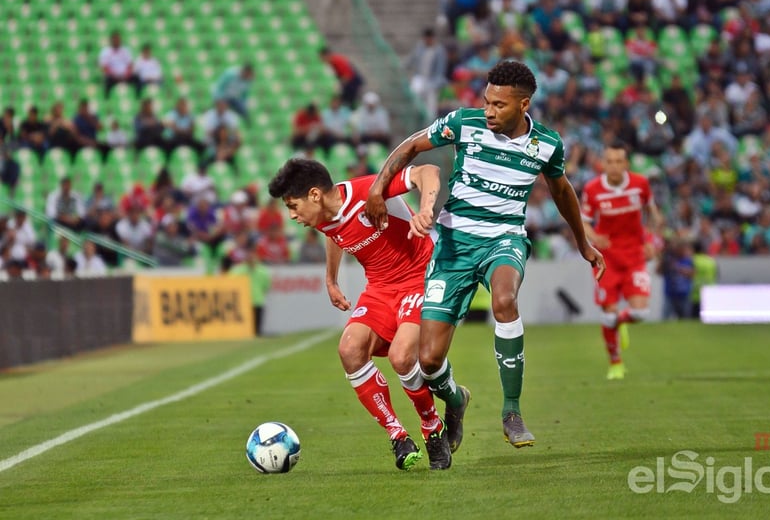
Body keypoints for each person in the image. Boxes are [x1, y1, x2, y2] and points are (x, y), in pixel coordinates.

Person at [364, 61, 605, 467]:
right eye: (486, 102)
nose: (489, 110)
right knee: (428, 361)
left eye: (499, 104)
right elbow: (410, 147)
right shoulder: (464, 123)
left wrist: (583, 242)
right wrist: (376, 189)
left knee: (505, 300)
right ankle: (456, 401)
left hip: (504, 238)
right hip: (454, 243)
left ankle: (512, 411)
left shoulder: (546, 144)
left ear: (523, 105)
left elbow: (562, 192)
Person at [268, 157, 448, 470]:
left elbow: (428, 170)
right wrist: (331, 278)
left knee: (402, 357)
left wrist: (425, 209)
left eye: (293, 206)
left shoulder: (369, 192)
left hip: (419, 276)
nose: (293, 215)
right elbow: (333, 231)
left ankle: (432, 428)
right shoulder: (322, 215)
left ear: (315, 195)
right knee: (349, 349)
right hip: (379, 288)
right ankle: (397, 435)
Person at [580, 143, 662, 380]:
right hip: (607, 260)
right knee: (607, 314)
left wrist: (652, 242)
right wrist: (594, 237)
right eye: (610, 161)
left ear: (626, 164)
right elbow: (584, 221)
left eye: (619, 161)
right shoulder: (593, 189)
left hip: (635, 255)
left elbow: (653, 214)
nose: (614, 166)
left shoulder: (640, 185)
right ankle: (615, 364)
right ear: (603, 164)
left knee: (640, 313)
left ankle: (620, 322)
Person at [229, 242, 272, 335]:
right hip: (243, 304)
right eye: (248, 254)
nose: (250, 257)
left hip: (257, 301)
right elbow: (231, 286)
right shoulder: (237, 271)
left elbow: (266, 287)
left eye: (252, 254)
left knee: (257, 331)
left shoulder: (262, 271)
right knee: (243, 332)